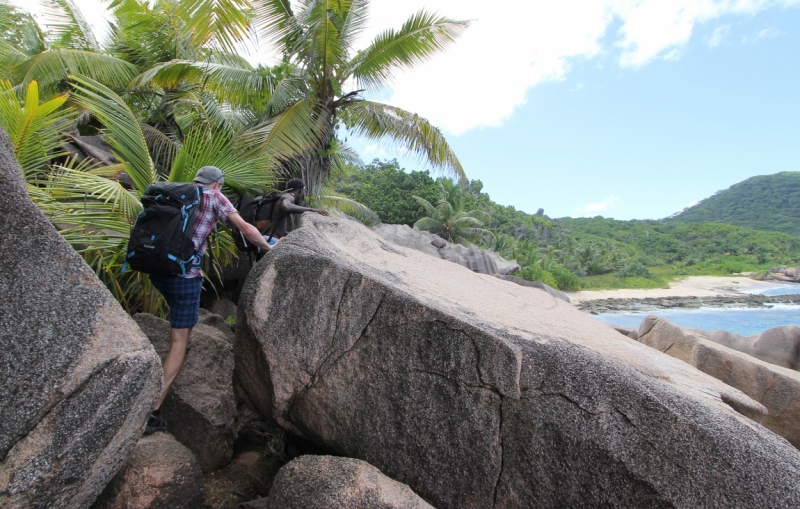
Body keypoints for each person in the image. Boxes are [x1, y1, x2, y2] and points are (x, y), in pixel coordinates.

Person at [145, 166, 272, 435]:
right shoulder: (214, 197)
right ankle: (151, 412)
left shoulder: (174, 193)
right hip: (184, 276)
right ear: (218, 184)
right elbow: (246, 228)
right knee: (180, 340)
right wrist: (269, 248)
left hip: (156, 270)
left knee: (177, 308)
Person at [254, 178, 329, 246]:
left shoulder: (281, 196)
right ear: (300, 190)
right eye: (303, 191)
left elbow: (278, 224)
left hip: (268, 238)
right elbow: (286, 206)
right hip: (272, 240)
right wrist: (312, 209)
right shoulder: (289, 196)